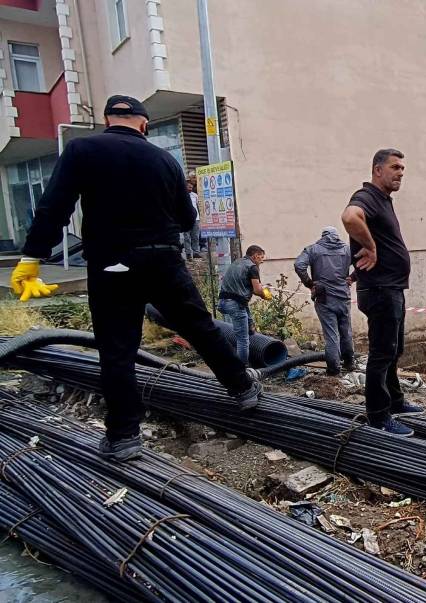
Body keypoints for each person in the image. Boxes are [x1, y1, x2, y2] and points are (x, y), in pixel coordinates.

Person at [10, 94, 263, 462]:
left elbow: (55, 206)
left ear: (106, 119)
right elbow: (187, 219)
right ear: (144, 125)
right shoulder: (165, 160)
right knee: (199, 327)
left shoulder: (83, 150)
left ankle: (124, 437)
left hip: (112, 264)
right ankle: (242, 388)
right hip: (164, 261)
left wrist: (33, 256)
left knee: (117, 350)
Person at [341, 148, 424, 437]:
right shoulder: (368, 197)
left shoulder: (384, 201)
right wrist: (371, 246)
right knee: (381, 353)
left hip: (392, 288)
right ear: (377, 170)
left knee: (393, 350)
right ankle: (378, 415)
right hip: (380, 290)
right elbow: (350, 218)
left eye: (403, 168)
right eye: (395, 167)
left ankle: (396, 401)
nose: (400, 172)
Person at [294, 226, 356, 376]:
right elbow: (363, 263)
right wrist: (353, 278)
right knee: (346, 331)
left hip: (324, 297)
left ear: (323, 236)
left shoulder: (313, 249)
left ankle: (334, 369)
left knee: (331, 334)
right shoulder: (347, 249)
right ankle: (349, 362)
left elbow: (299, 265)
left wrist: (309, 283)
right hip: (343, 296)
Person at [219, 245, 272, 366]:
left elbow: (248, 287)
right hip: (235, 304)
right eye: (261, 257)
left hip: (225, 301)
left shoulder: (237, 262)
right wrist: (266, 295)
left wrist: (261, 288)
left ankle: (251, 331)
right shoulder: (253, 267)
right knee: (243, 340)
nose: (262, 261)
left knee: (250, 328)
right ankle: (242, 369)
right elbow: (257, 290)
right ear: (255, 256)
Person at [182, 175, 203, 259]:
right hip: (185, 219)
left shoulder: (195, 195)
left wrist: (200, 217)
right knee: (187, 237)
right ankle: (188, 253)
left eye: (191, 186)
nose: (190, 187)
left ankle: (196, 252)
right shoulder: (182, 195)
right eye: (189, 186)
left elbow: (198, 206)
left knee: (195, 236)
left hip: (196, 219)